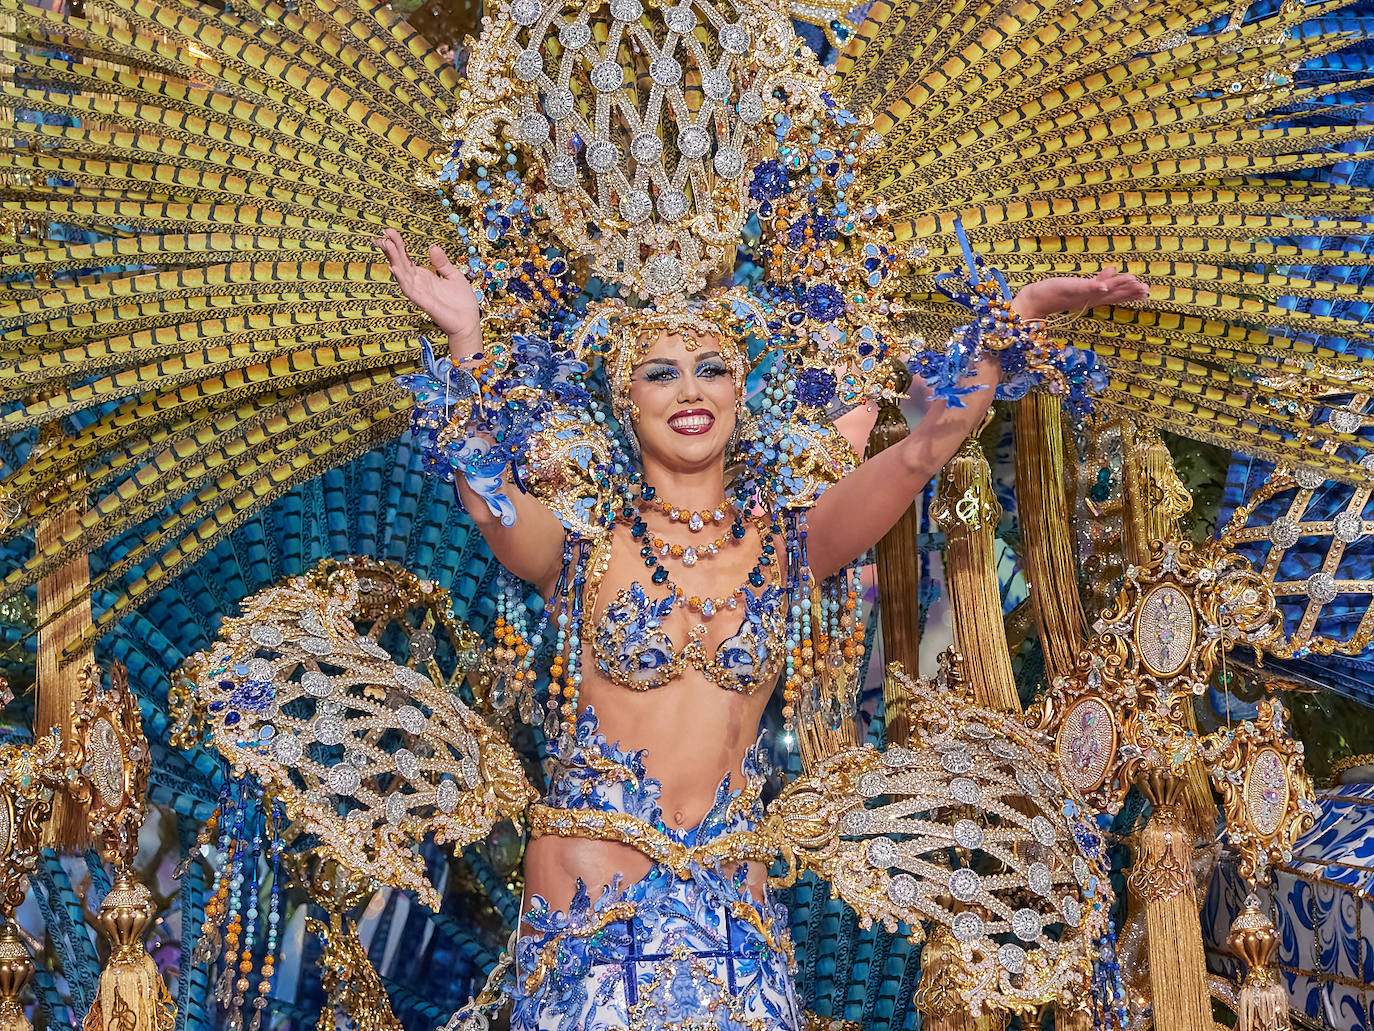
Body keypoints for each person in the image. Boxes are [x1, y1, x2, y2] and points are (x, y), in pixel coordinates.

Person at [377, 226, 1146, 1030]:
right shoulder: (582, 547)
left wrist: (1014, 315)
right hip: (587, 924)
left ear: (739, 395)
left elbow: (923, 451)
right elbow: (486, 492)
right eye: (660, 374)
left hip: (736, 937)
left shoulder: (787, 546)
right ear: (626, 401)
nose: (690, 391)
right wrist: (465, 335)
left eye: (711, 370)